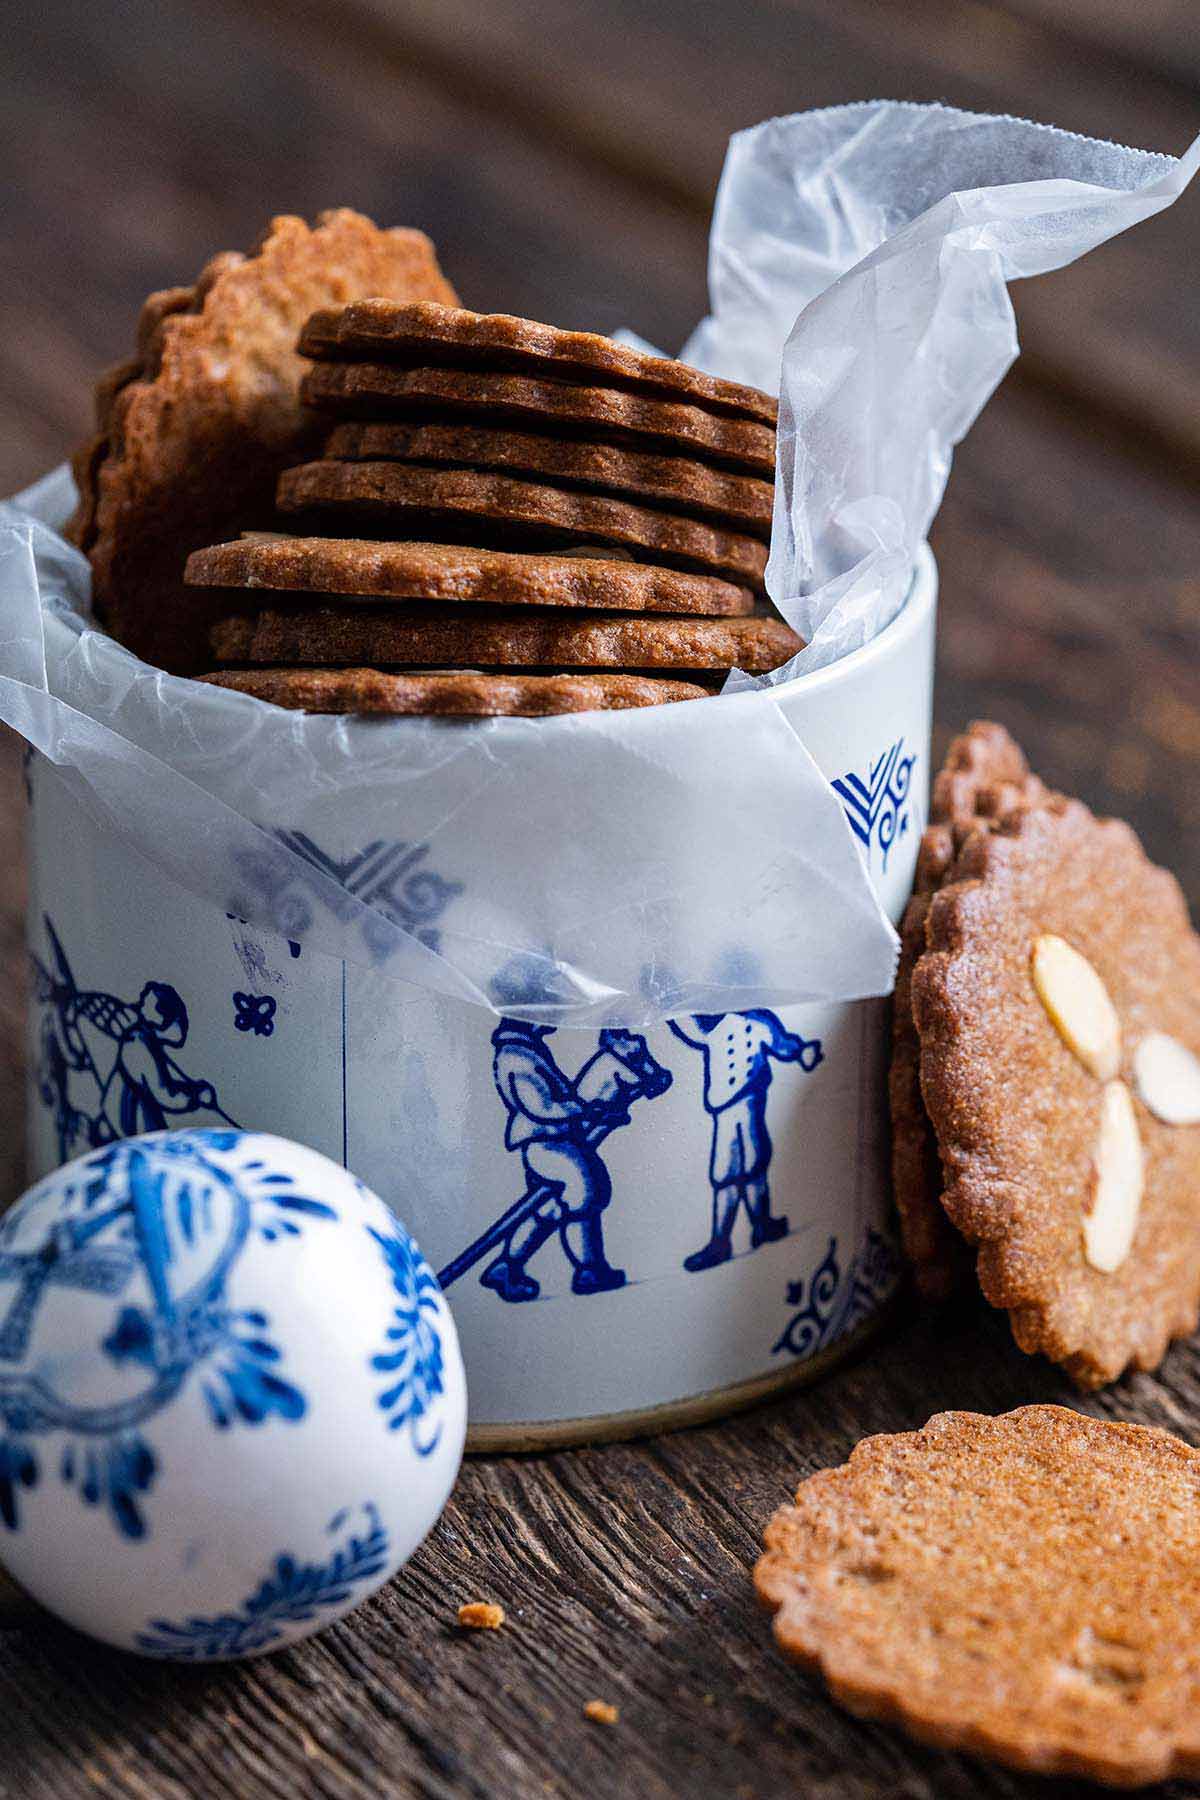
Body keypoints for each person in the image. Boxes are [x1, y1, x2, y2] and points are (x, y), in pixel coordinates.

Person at [669, 1010, 823, 1272]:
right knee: (725, 1174)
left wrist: (801, 1051)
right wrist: (671, 1004)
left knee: (754, 1164)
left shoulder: (760, 1022)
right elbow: (689, 1030)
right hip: (725, 1110)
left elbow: (783, 1044)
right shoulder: (713, 1027)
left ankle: (761, 1225)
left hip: (750, 1101)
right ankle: (720, 1242)